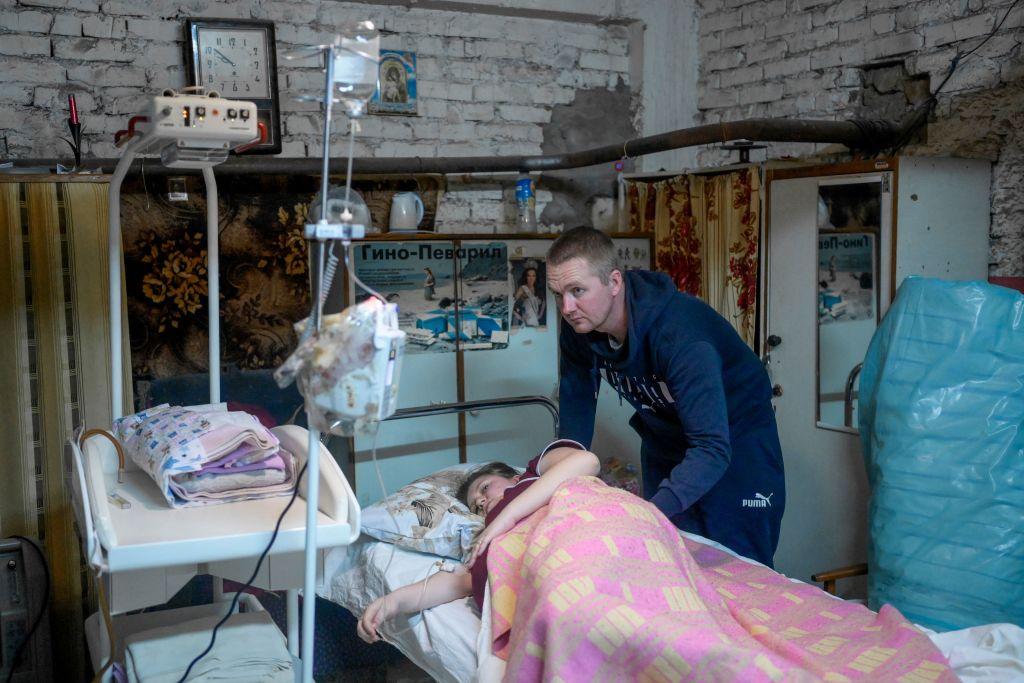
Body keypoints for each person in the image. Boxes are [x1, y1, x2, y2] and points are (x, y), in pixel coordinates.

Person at [546, 226, 785, 567]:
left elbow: (712, 448)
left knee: (738, 571)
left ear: (614, 282)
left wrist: (647, 514)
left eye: (577, 291)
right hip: (666, 441)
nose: (567, 308)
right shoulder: (580, 330)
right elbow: (575, 413)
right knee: (665, 562)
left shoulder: (681, 337)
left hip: (735, 448)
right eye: (558, 294)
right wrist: (554, 483)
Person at [356, 440, 597, 643]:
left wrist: (507, 517)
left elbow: (588, 462)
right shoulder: (484, 535)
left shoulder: (533, 476)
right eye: (475, 506)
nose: (481, 502)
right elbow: (459, 582)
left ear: (514, 478)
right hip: (545, 589)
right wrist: (390, 603)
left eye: (484, 488)